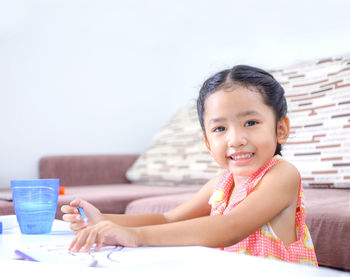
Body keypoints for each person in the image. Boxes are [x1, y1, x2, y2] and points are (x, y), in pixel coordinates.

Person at [61, 65, 318, 266]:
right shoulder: (221, 184)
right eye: (220, 128)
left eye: (250, 122)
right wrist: (104, 220)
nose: (236, 139)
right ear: (207, 141)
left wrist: (136, 235)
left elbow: (231, 228)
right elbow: (167, 218)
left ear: (281, 129)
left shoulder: (282, 175)